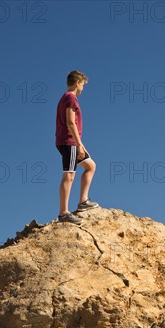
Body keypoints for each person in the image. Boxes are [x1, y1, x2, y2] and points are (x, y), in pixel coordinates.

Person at [55, 70, 99, 225]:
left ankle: (83, 201)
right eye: (83, 85)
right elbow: (70, 122)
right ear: (78, 83)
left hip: (70, 141)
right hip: (69, 142)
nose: (83, 89)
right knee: (69, 175)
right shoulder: (70, 98)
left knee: (90, 166)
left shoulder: (65, 98)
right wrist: (78, 144)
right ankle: (63, 213)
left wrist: (82, 145)